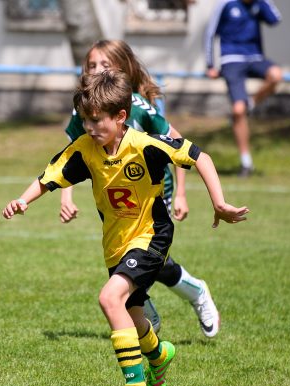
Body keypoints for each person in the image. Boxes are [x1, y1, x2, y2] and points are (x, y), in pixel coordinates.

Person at [2, 70, 249, 386]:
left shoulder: (144, 145)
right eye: (85, 120)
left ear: (120, 117)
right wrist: (23, 200)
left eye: (96, 121)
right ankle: (159, 356)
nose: (89, 128)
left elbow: (199, 156)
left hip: (151, 235)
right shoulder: (86, 149)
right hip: (115, 244)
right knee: (133, 316)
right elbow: (50, 175)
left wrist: (219, 203)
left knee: (109, 298)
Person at [61, 40, 221, 338]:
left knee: (144, 255)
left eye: (105, 65)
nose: (97, 70)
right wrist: (66, 195)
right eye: (92, 65)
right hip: (114, 196)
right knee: (135, 256)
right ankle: (158, 303)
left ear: (122, 69)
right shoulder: (83, 107)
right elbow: (72, 154)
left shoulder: (137, 105)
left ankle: (168, 302)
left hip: (153, 191)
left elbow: (178, 145)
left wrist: (182, 193)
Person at [204, 0, 282, 177]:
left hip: (255, 57)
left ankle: (251, 103)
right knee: (238, 111)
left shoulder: (259, 4)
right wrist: (210, 64)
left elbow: (276, 19)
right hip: (231, 59)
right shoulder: (225, 4)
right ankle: (246, 163)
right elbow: (209, 33)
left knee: (276, 75)